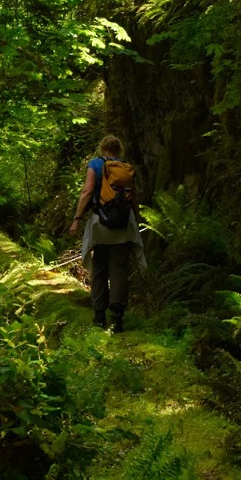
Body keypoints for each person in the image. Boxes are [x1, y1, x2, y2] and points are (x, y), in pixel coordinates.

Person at [68, 134, 142, 332]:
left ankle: (99, 316)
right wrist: (136, 219)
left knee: (100, 268)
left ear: (103, 148)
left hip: (100, 223)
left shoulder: (96, 164)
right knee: (119, 269)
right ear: (119, 150)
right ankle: (118, 318)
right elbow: (133, 197)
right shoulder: (126, 167)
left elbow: (87, 191)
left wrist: (77, 218)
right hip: (124, 226)